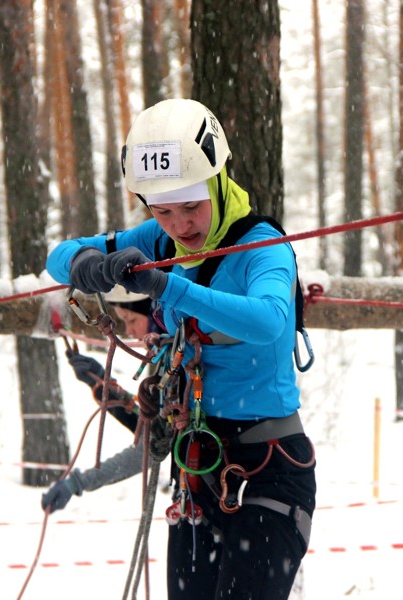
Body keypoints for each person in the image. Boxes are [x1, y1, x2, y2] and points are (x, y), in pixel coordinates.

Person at [45, 98, 316, 600]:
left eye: (191, 207)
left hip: (269, 470)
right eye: (162, 211)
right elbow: (56, 257)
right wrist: (87, 263)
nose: (179, 225)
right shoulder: (161, 241)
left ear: (217, 181)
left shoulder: (263, 248)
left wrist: (169, 288)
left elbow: (268, 319)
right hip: (196, 467)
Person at [41, 286, 160, 512]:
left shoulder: (180, 364)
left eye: (132, 319)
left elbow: (152, 445)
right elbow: (153, 430)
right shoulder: (167, 363)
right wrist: (103, 386)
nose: (130, 331)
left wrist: (79, 482)